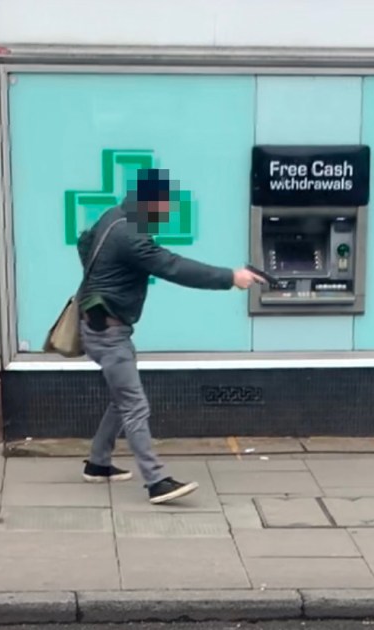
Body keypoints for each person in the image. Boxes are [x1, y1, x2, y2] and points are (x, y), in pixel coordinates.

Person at [75, 168, 264, 504]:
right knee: (135, 405)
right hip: (108, 332)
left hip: (101, 324)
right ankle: (156, 480)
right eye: (164, 207)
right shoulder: (132, 237)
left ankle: (98, 463)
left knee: (123, 399)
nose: (167, 213)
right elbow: (173, 266)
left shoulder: (113, 217)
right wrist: (231, 277)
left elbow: (85, 242)